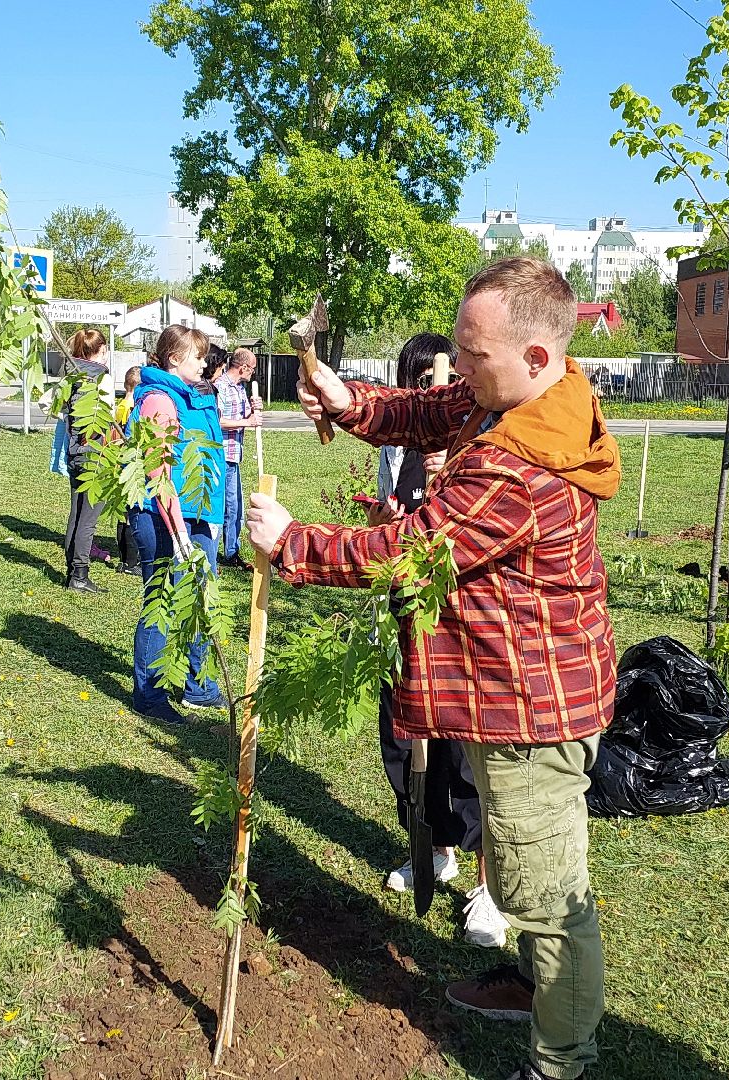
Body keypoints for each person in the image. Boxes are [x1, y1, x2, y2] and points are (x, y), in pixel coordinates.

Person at [247, 257, 619, 1080]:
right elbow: (428, 407)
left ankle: (559, 1060)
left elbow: (406, 552)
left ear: (533, 355)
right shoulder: (523, 394)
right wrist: (352, 403)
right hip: (512, 689)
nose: (461, 365)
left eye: (473, 352)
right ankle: (533, 985)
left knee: (549, 903)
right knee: (531, 874)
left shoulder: (522, 465)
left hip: (532, 707)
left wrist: (290, 543)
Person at [362, 331, 506, 950]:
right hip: (405, 601)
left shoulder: (484, 440)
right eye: (417, 383)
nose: (429, 394)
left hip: (465, 615)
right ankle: (436, 846)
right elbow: (390, 526)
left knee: (468, 744)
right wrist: (385, 521)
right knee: (404, 733)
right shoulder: (399, 444)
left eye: (438, 382)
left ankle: (489, 890)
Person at [126, 324, 226, 725]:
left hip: (196, 513)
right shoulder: (160, 401)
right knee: (162, 600)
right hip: (163, 516)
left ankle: (197, 685)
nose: (205, 363)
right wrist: (179, 531)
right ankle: (150, 695)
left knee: (201, 599)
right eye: (198, 356)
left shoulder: (192, 396)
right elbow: (158, 471)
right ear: (173, 358)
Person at [61, 328, 112, 595]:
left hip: (74, 452)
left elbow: (52, 407)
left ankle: (72, 569)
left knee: (77, 513)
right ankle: (79, 575)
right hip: (95, 454)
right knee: (88, 519)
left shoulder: (71, 375)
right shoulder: (100, 378)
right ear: (101, 349)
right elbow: (106, 416)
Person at [213, 348, 264, 569]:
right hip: (221, 454)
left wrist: (253, 411)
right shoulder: (221, 387)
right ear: (242, 367)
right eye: (251, 369)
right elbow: (219, 420)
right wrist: (248, 422)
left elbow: (243, 417)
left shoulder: (240, 389)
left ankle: (232, 552)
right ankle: (220, 553)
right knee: (226, 505)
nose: (252, 373)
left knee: (236, 506)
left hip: (235, 454)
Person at [113, 366, 144, 574]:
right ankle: (131, 563)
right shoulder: (130, 407)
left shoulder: (120, 405)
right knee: (130, 515)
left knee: (122, 515)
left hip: (121, 462)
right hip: (129, 463)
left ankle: (124, 560)